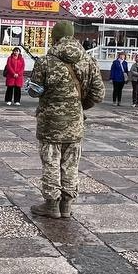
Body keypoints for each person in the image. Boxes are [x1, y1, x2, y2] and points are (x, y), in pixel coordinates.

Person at [29, 20, 104, 219]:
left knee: (51, 163)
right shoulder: (88, 61)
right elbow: (99, 93)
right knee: (71, 164)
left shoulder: (45, 62)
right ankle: (66, 206)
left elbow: (34, 92)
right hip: (75, 123)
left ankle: (51, 205)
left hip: (50, 123)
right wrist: (79, 106)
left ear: (55, 38)